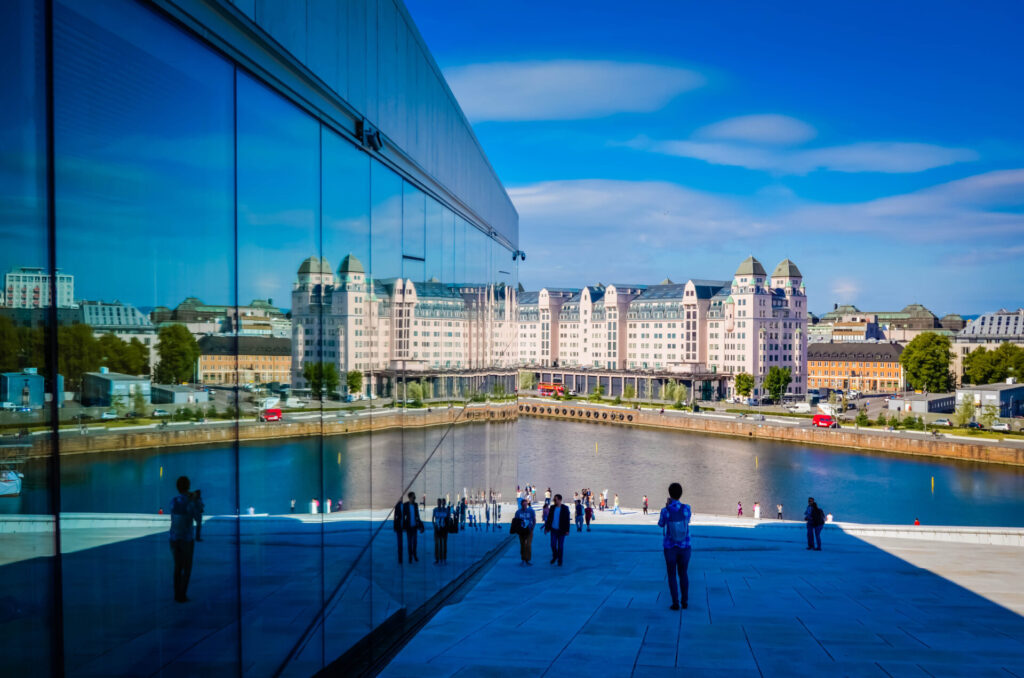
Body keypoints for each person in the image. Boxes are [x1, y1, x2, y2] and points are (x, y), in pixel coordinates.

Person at [658, 482, 692, 611]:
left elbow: (661, 524)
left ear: (669, 494)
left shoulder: (665, 510)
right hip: (685, 546)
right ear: (681, 494)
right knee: (683, 573)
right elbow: (687, 521)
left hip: (670, 547)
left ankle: (675, 603)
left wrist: (668, 507)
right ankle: (685, 601)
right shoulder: (687, 508)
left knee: (671, 574)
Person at [169, 475, 200, 603]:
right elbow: (197, 518)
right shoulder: (190, 501)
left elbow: (173, 517)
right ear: (188, 486)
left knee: (177, 567)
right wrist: (195, 501)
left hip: (174, 537)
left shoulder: (173, 501)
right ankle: (182, 595)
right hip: (186, 539)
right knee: (187, 567)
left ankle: (176, 593)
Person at [543, 493, 570, 566]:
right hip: (553, 530)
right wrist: (547, 528)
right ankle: (555, 556)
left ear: (560, 500)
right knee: (552, 545)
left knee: (560, 546)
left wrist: (567, 530)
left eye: (556, 499)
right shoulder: (552, 507)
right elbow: (549, 519)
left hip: (562, 531)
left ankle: (560, 560)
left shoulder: (565, 508)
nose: (554, 500)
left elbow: (567, 520)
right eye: (554, 499)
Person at [402, 491, 425, 563]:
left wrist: (421, 526)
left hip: (414, 527)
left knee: (415, 542)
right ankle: (410, 556)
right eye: (413, 497)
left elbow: (417, 516)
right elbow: (403, 517)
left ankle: (414, 555)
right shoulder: (405, 505)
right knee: (409, 543)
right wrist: (403, 527)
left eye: (415, 497)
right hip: (408, 527)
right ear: (409, 497)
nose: (414, 498)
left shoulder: (415, 505)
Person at [515, 497, 536, 565]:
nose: (524, 506)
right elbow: (516, 522)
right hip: (521, 531)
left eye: (525, 505)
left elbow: (534, 520)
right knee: (523, 545)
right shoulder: (518, 512)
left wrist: (533, 528)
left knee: (528, 545)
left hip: (529, 530)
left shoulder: (531, 511)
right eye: (523, 505)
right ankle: (523, 559)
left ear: (527, 504)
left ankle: (528, 559)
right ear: (521, 505)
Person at [432, 498, 450, 564]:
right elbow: (433, 518)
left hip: (444, 529)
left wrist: (447, 527)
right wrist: (434, 525)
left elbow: (448, 519)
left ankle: (443, 558)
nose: (441, 504)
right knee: (437, 544)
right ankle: (437, 558)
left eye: (442, 502)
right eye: (439, 502)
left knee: (444, 544)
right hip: (437, 528)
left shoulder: (446, 510)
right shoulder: (435, 510)